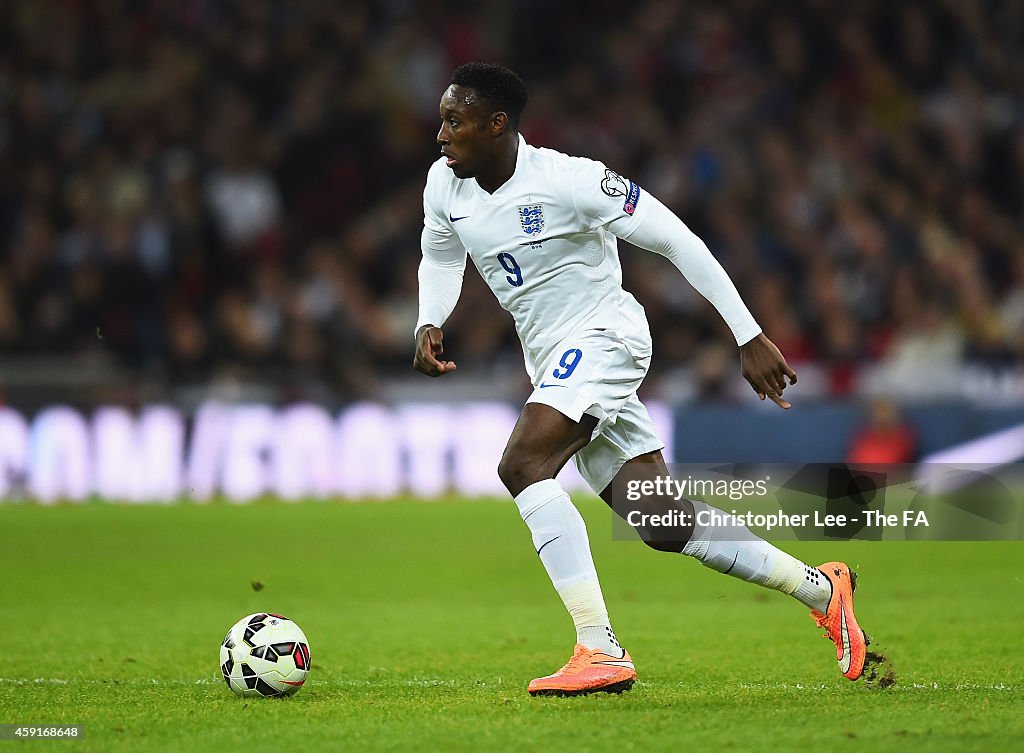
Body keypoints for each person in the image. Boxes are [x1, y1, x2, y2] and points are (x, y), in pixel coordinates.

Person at [413, 62, 871, 696]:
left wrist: (747, 333)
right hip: (553, 361)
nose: (440, 135)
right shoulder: (446, 185)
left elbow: (677, 240)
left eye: (453, 122)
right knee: (660, 521)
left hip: (605, 337)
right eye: (442, 121)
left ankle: (597, 649)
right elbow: (439, 252)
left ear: (497, 125)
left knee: (523, 465)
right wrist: (428, 320)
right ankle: (822, 590)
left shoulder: (572, 181)